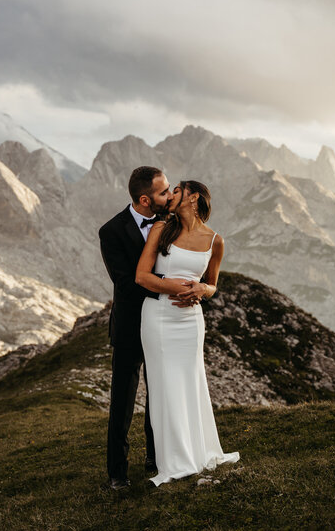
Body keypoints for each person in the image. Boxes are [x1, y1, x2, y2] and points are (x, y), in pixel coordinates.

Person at [136, 180, 240, 486]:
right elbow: (142, 276)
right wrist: (179, 286)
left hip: (191, 321)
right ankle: (175, 460)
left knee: (192, 382)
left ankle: (200, 451)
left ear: (193, 197)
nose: (170, 196)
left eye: (176, 190)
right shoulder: (160, 230)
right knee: (164, 386)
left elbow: (212, 284)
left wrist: (201, 289)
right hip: (158, 316)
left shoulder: (215, 241)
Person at [98, 165, 177, 490]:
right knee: (123, 401)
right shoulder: (111, 231)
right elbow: (125, 283)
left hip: (163, 323)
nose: (170, 195)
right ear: (145, 200)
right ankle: (117, 472)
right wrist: (171, 286)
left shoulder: (172, 223)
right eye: (163, 192)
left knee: (159, 394)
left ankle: (155, 457)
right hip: (131, 327)